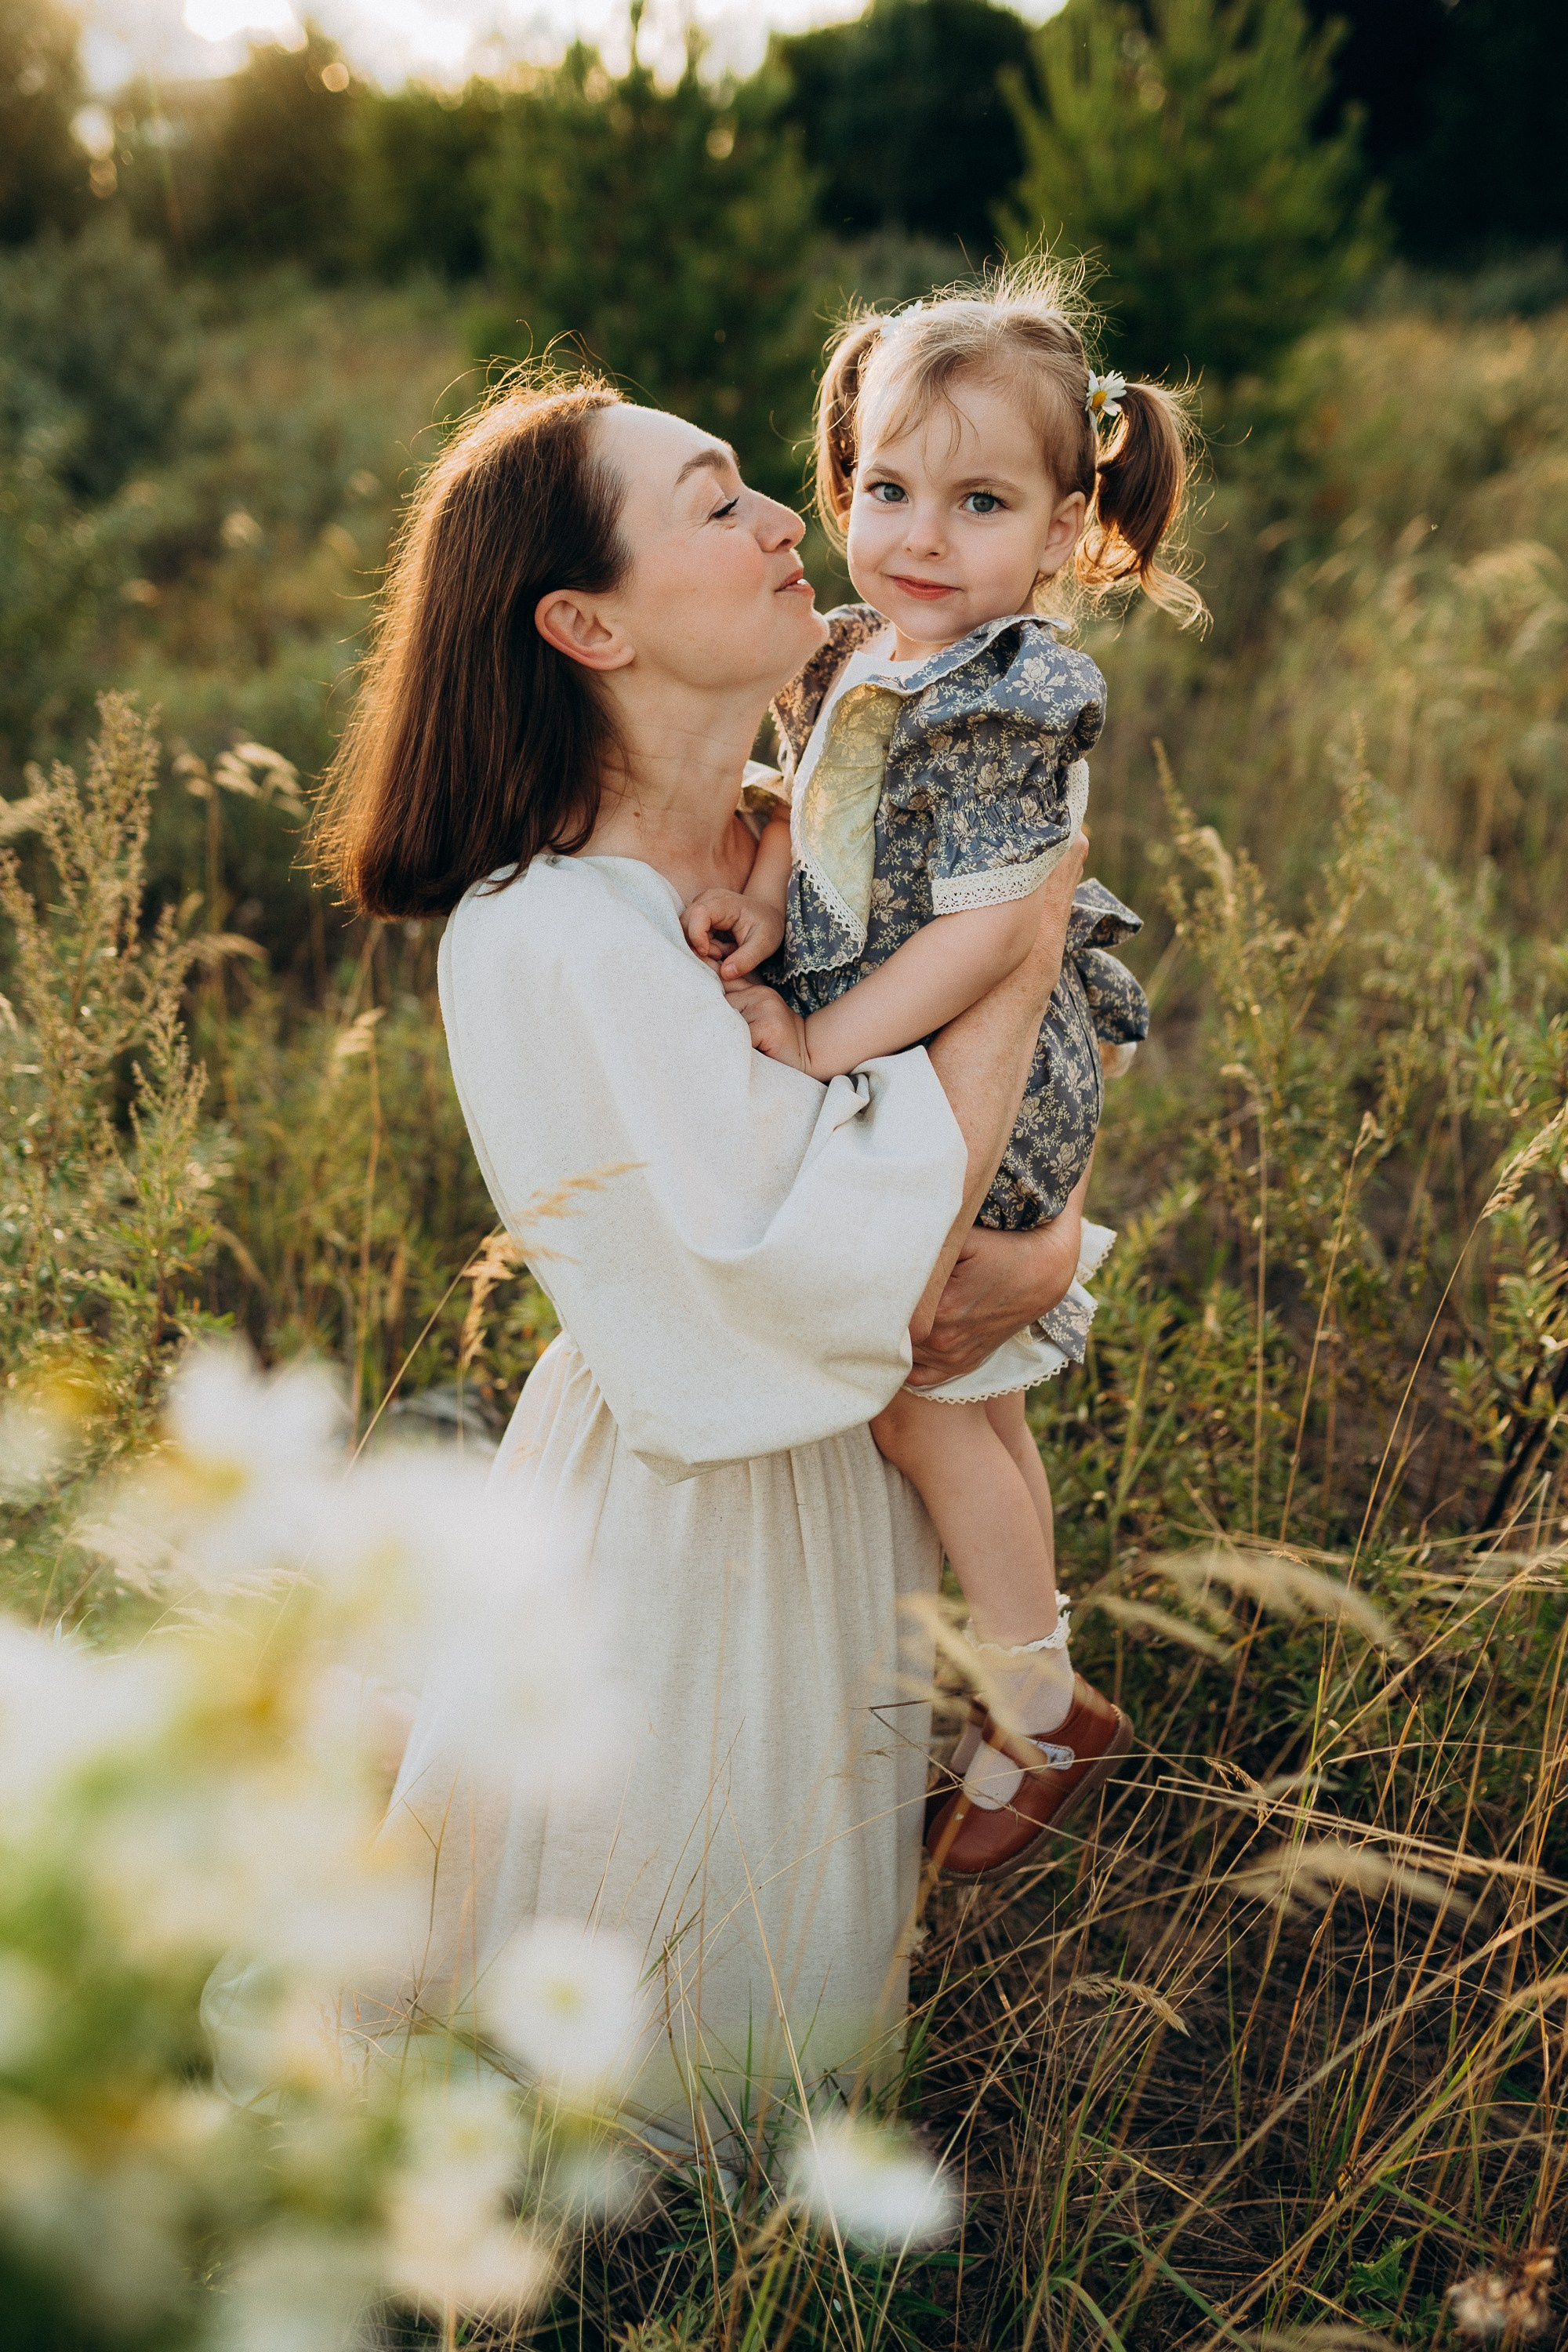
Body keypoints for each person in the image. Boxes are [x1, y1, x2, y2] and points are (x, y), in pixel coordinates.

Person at [310, 372, 1098, 2161]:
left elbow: (986, 1224)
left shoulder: (803, 836)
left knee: (819, 2006)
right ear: (586, 622)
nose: (787, 528)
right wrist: (1027, 938)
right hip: (692, 1539)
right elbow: (827, 1276)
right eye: (718, 499)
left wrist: (1040, 1238)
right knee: (659, 2097)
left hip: (859, 1493)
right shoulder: (549, 934)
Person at [679, 267, 1203, 1878]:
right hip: (900, 1051)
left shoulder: (1008, 697)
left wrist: (822, 1039)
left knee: (920, 1396)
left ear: (1060, 528)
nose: (916, 534)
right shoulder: (859, 650)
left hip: (986, 1074)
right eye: (886, 487)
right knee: (966, 1400)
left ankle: (1041, 1704)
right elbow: (824, 823)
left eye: (978, 502)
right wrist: (756, 894)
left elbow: (982, 936)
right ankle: (999, 1675)